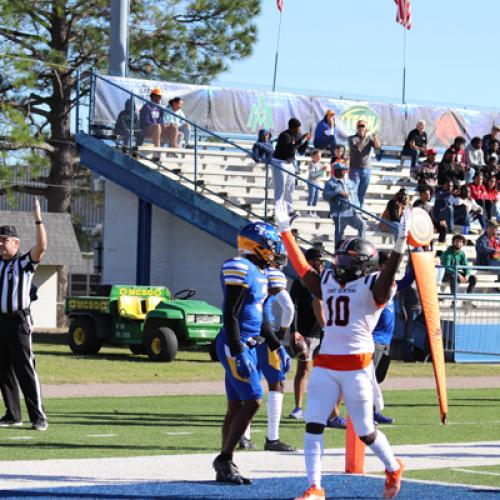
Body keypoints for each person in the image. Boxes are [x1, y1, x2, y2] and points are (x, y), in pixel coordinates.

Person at [274, 201, 407, 500]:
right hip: (326, 364)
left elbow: (388, 278)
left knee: (365, 432)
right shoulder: (329, 280)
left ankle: (393, 466)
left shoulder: (375, 286)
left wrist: (399, 246)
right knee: (313, 425)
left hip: (357, 367)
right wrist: (285, 233)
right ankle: (315, 487)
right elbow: (303, 269)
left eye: (345, 261)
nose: (339, 265)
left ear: (362, 263)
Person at [213, 222, 286, 485]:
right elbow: (230, 313)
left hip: (251, 344)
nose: (275, 250)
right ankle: (224, 457)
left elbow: (262, 318)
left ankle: (225, 464)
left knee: (235, 405)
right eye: (271, 244)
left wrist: (276, 343)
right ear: (256, 244)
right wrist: (237, 349)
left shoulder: (261, 272)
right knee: (254, 399)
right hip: (237, 343)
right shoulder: (240, 267)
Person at [0, 197, 48, 431]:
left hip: (19, 322)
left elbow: (42, 247)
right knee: (3, 368)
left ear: (16, 244)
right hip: (1, 321)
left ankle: (38, 416)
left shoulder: (23, 264)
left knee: (25, 369)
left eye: (4, 241)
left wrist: (38, 220)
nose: (0, 245)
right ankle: (12, 414)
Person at [243, 245, 294, 453]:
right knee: (276, 383)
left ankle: (243, 436)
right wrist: (281, 335)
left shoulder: (249, 272)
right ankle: (272, 438)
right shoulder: (270, 275)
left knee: (246, 384)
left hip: (244, 335)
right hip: (264, 334)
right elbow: (288, 307)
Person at [288, 248, 346, 429]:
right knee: (304, 369)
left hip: (324, 333)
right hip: (306, 331)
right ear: (309, 261)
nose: (321, 264)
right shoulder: (300, 282)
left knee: (331, 372)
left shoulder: (327, 281)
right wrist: (294, 330)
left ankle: (330, 411)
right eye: (318, 261)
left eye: (322, 261)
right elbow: (293, 307)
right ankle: (298, 407)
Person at [371, 251, 415, 424]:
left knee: (378, 379)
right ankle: (364, 414)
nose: (393, 267)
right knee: (368, 379)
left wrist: (416, 267)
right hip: (374, 340)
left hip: (385, 341)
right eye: (389, 264)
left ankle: (373, 412)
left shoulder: (391, 284)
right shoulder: (373, 283)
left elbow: (404, 282)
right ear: (380, 266)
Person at [272, 118, 312, 218]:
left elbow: (301, 151)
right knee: (280, 188)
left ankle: (289, 210)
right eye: (298, 128)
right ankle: (279, 211)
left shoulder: (297, 136)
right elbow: (289, 149)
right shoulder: (284, 136)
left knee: (290, 188)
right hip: (280, 162)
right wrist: (300, 140)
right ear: (293, 128)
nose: (299, 130)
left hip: (290, 163)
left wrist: (306, 141)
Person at [323, 162, 365, 245]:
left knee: (362, 225)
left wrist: (358, 209)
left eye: (345, 170)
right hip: (339, 214)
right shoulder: (330, 183)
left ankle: (361, 246)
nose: (345, 172)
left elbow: (355, 197)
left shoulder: (351, 182)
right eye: (343, 170)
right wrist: (337, 192)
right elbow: (325, 196)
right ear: (336, 171)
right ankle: (338, 253)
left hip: (352, 212)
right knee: (339, 235)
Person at [348, 120, 381, 208]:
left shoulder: (369, 138)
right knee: (353, 191)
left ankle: (359, 211)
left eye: (363, 126)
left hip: (367, 169)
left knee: (362, 193)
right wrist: (364, 136)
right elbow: (358, 148)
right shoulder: (352, 138)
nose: (361, 128)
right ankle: (353, 210)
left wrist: (375, 137)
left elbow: (378, 147)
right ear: (357, 127)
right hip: (355, 169)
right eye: (360, 126)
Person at [440, 235, 477, 303]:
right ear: (453, 242)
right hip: (446, 275)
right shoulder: (448, 253)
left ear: (463, 244)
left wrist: (467, 274)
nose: (458, 243)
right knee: (454, 276)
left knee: (473, 278)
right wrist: (459, 275)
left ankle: (468, 299)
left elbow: (466, 265)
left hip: (456, 274)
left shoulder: (462, 253)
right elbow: (447, 268)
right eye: (456, 241)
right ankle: (455, 300)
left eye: (460, 242)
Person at [138, 88, 167, 152]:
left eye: (160, 96)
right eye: (158, 96)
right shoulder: (146, 107)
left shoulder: (160, 108)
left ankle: (171, 153)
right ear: (153, 96)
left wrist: (165, 126)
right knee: (157, 126)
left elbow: (161, 121)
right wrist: (157, 126)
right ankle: (157, 151)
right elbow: (145, 122)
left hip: (157, 130)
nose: (160, 98)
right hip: (146, 130)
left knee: (173, 128)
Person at [307, 150, 327, 216]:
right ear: (313, 157)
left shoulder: (320, 164)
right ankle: (308, 211)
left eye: (320, 156)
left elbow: (321, 175)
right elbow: (313, 175)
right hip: (311, 182)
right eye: (317, 156)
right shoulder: (311, 164)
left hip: (317, 182)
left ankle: (314, 212)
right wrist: (321, 170)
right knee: (311, 196)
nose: (319, 158)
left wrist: (322, 171)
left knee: (317, 197)